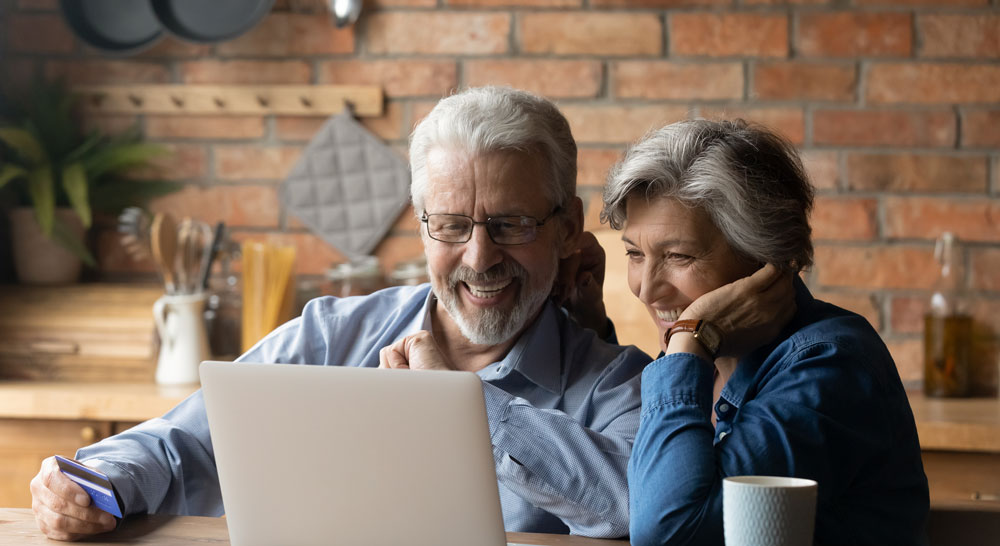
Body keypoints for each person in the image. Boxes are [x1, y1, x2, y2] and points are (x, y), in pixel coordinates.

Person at [29, 86, 653, 541]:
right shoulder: (330, 334)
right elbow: (181, 444)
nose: (479, 256)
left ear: (567, 227)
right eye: (452, 225)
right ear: (423, 228)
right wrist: (92, 483)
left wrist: (457, 402)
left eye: (511, 224)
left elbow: (639, 503)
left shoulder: (617, 384)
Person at [601, 119, 929, 545]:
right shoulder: (705, 360)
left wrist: (689, 338)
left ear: (765, 256)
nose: (646, 288)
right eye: (634, 254)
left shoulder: (832, 366)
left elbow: (668, 532)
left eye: (679, 256)